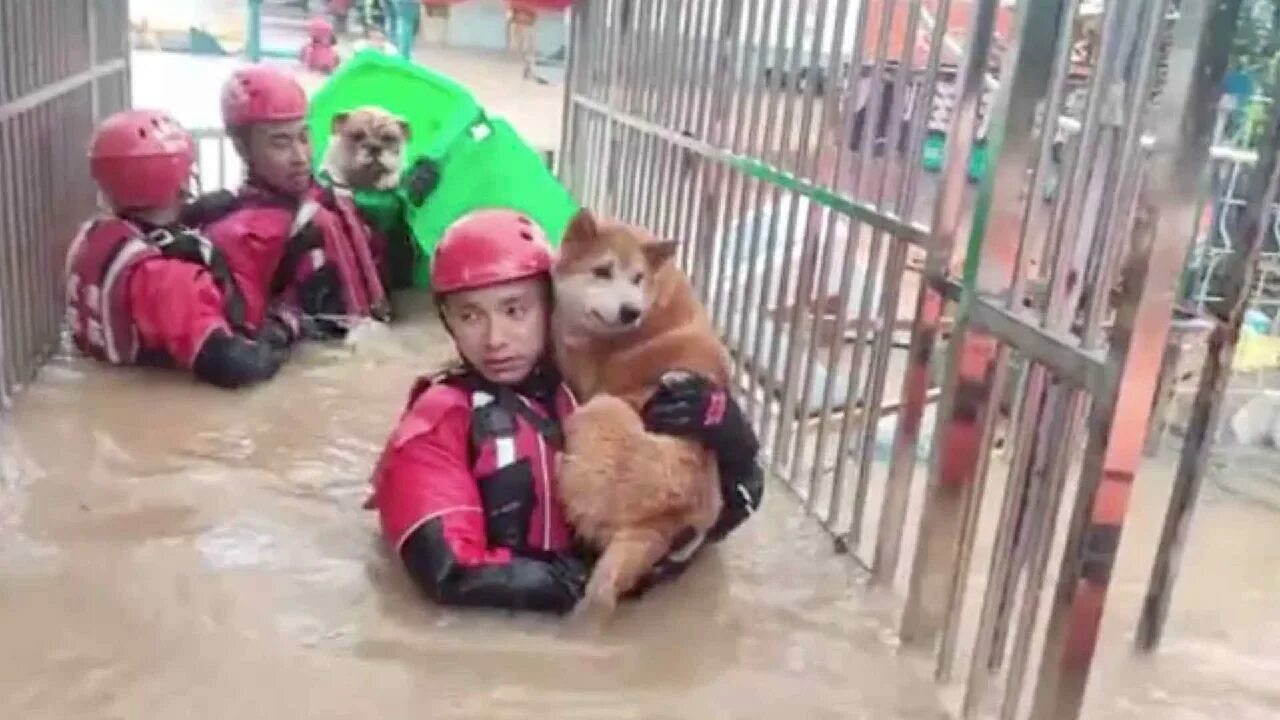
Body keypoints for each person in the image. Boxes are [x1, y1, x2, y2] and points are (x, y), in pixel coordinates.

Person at [364, 209, 764, 614]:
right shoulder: (439, 419)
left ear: (549, 305)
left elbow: (720, 519)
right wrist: (575, 584)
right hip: (516, 648)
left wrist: (735, 445)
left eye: (515, 310)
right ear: (446, 321)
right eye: (470, 316)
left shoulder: (593, 391)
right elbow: (448, 572)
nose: (496, 339)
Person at [66, 109, 294, 389]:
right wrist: (281, 331)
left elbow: (153, 227)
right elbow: (234, 366)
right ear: (183, 181)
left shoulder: (94, 236)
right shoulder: (173, 280)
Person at [192, 64, 389, 341]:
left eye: (304, 137)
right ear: (240, 147)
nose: (300, 156)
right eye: (280, 143)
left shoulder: (329, 199)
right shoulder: (239, 237)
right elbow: (242, 338)